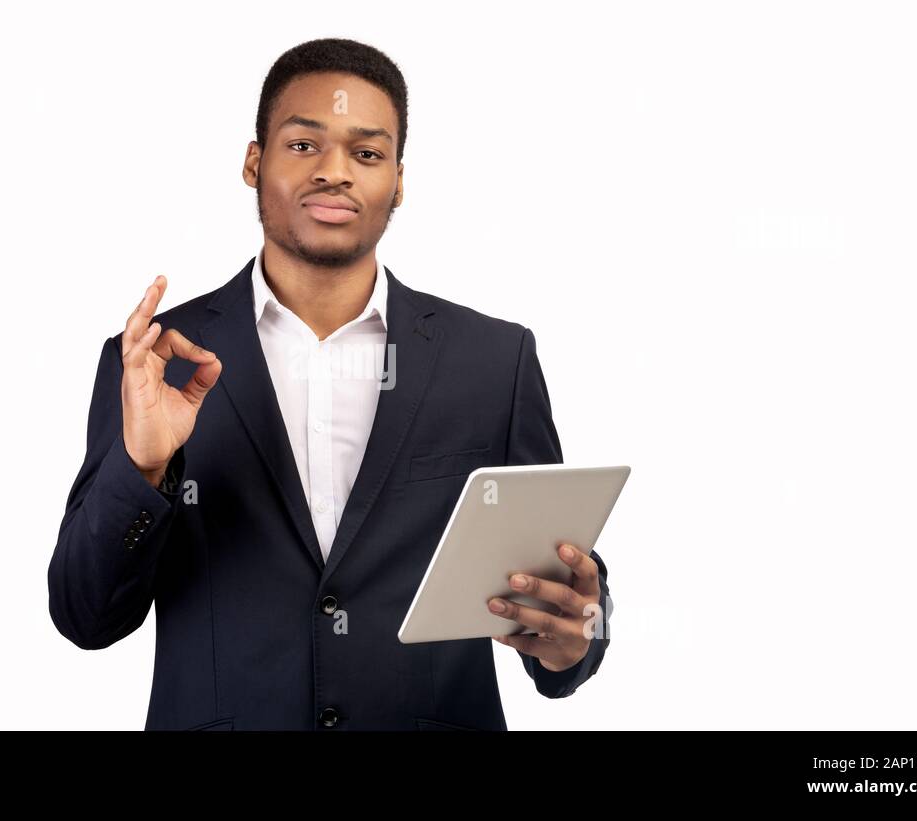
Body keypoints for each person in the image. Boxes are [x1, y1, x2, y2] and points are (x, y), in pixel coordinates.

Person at [47, 37, 611, 730]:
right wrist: (142, 467)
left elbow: (563, 576)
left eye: (367, 153)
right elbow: (84, 614)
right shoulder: (157, 360)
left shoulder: (494, 360)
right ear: (254, 162)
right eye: (304, 145)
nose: (335, 172)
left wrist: (578, 634)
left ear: (398, 180)